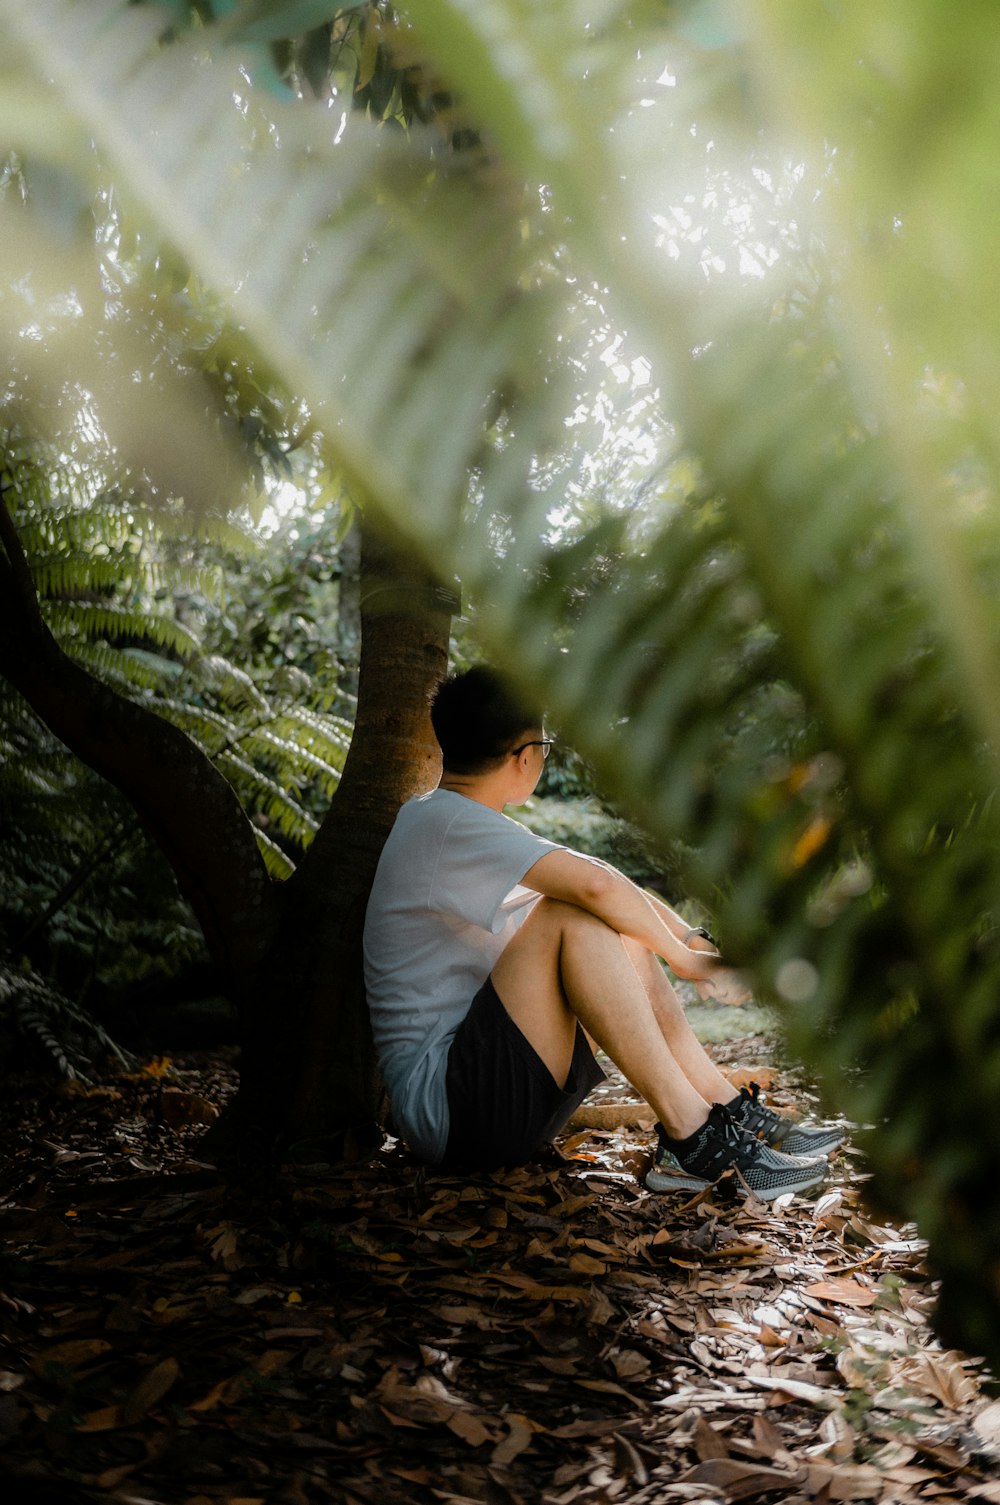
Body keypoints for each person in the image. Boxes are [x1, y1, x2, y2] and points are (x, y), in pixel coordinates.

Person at [363, 666, 841, 1200]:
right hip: (453, 1112)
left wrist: (688, 939)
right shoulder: (444, 822)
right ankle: (696, 1138)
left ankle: (720, 1113)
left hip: (488, 1101)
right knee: (572, 914)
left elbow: (602, 883)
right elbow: (593, 887)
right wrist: (687, 963)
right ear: (525, 755)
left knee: (605, 918)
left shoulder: (458, 823)